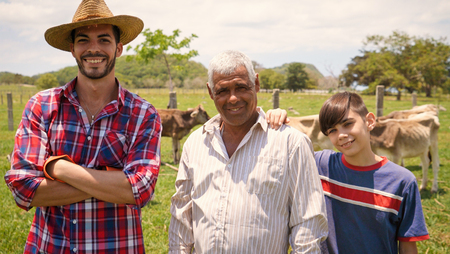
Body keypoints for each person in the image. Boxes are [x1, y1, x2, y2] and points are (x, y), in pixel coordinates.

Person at [4, 0, 161, 253]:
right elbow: (23, 188)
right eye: (84, 40)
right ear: (72, 49)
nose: (94, 48)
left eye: (104, 40)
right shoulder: (43, 105)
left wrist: (58, 167)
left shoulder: (143, 113)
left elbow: (140, 189)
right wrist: (110, 182)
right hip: (50, 246)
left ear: (119, 48)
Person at [168, 50, 328, 253]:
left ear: (257, 84)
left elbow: (308, 223)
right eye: (222, 91)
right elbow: (182, 214)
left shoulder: (290, 143)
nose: (233, 98)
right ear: (210, 92)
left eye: (242, 87)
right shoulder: (196, 144)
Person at [267, 92, 429, 253]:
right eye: (332, 131)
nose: (341, 135)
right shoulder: (321, 164)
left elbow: (408, 246)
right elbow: (282, 159)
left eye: (348, 124)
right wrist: (276, 118)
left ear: (370, 121)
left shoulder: (402, 181)